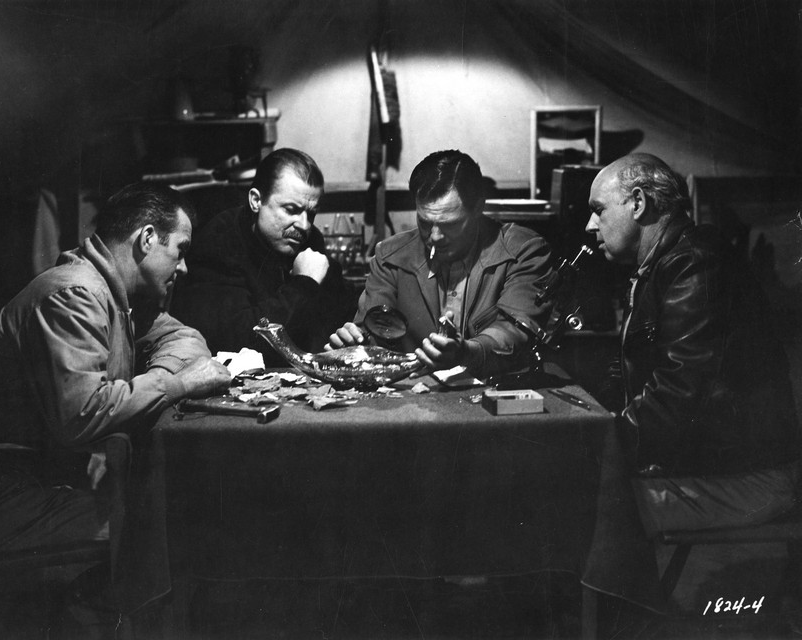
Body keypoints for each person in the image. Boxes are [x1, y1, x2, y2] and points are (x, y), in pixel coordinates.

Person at [0, 182, 231, 558]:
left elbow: (184, 337)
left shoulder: (113, 293)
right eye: (180, 250)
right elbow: (82, 413)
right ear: (147, 238)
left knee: (165, 509)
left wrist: (161, 378)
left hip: (26, 476)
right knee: (159, 526)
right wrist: (177, 384)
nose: (184, 267)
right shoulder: (75, 295)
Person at [586, 153, 799, 536]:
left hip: (751, 480)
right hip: (711, 468)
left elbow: (679, 392)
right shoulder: (662, 265)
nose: (590, 225)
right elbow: (633, 378)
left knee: (585, 506)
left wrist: (595, 443)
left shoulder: (696, 263)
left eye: (598, 210)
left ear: (638, 203)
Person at [328, 149, 553, 378]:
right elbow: (374, 330)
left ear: (478, 208)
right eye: (425, 222)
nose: (434, 237)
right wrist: (355, 344)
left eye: (450, 225)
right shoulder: (389, 257)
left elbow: (516, 333)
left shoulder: (523, 251)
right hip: (415, 393)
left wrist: (466, 353)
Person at [170, 148, 357, 366]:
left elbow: (340, 310)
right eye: (291, 209)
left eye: (311, 213)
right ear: (256, 201)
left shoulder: (308, 240)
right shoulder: (219, 242)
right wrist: (303, 284)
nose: (304, 225)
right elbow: (239, 341)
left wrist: (345, 333)